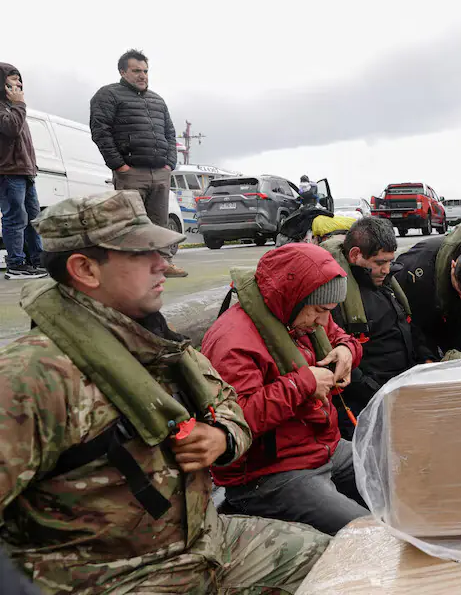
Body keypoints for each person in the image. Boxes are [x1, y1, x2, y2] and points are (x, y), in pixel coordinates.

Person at [0, 191, 327, 594]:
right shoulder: (29, 378)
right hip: (110, 577)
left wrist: (221, 439)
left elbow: (229, 406)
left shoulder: (155, 340)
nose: (165, 265)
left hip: (202, 545)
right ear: (85, 269)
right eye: (142, 254)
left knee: (333, 560)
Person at [202, 242, 369, 535]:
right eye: (319, 310)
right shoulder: (231, 340)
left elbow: (342, 337)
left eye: (329, 312)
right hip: (271, 474)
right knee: (368, 534)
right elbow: (236, 419)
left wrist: (346, 351)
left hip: (321, 446)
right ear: (293, 296)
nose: (323, 321)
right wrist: (303, 383)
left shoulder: (304, 318)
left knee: (396, 477)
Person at [321, 217, 437, 438]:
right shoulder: (333, 297)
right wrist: (378, 393)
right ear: (355, 255)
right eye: (379, 262)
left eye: (389, 261)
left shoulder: (386, 285)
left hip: (402, 387)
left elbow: (409, 325)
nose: (386, 270)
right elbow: (334, 358)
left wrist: (426, 357)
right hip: (368, 399)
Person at [89, 49, 187, 278]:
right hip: (131, 172)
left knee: (159, 222)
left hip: (160, 171)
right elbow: (100, 131)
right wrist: (119, 165)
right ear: (122, 72)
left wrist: (169, 164)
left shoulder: (157, 100)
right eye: (136, 71)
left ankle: (163, 264)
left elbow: (170, 132)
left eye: (145, 71)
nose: (142, 75)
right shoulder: (108, 95)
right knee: (130, 223)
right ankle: (131, 269)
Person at [394, 224, 461, 355]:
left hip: (458, 317)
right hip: (426, 308)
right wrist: (425, 355)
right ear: (453, 266)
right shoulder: (416, 269)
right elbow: (411, 321)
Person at [0, 63, 45, 280]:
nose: (17, 84)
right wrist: (20, 105)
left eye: (19, 79)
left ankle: (38, 261)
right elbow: (11, 129)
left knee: (33, 219)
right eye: (12, 79)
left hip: (25, 172)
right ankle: (16, 264)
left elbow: (25, 143)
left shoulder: (16, 107)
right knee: (15, 219)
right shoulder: (6, 107)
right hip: (8, 172)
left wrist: (32, 167)